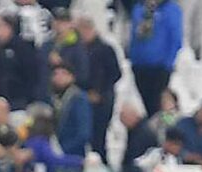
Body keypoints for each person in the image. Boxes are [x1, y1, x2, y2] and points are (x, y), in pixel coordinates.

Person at [76, 16, 121, 161]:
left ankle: (101, 163)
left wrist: (99, 91)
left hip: (103, 99)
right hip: (83, 96)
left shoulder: (105, 49)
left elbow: (115, 73)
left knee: (99, 137)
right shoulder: (78, 50)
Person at [129, 0, 183, 116]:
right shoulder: (139, 8)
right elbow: (133, 36)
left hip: (160, 68)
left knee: (158, 106)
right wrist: (133, 60)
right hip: (139, 66)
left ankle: (166, 125)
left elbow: (176, 39)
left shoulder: (171, 9)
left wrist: (167, 64)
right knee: (144, 106)